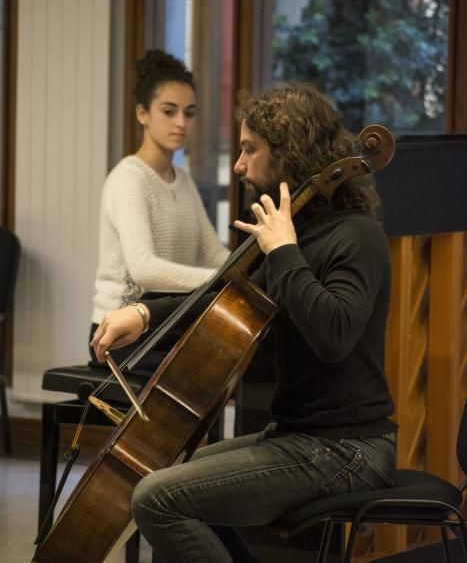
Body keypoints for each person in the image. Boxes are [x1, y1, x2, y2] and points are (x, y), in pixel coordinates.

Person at [91, 82, 397, 562]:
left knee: (159, 498)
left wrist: (285, 251)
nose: (238, 165)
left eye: (250, 149)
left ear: (289, 153)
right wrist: (145, 313)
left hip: (349, 449)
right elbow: (225, 296)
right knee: (164, 476)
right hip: (298, 436)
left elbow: (334, 335)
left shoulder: (356, 237)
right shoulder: (291, 231)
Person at [89, 49, 229, 367]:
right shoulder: (129, 178)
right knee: (204, 370)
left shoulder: (184, 180)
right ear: (142, 114)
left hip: (165, 324)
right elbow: (144, 269)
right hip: (118, 334)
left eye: (189, 113)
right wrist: (221, 281)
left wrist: (251, 275)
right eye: (169, 111)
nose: (181, 122)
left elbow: (215, 255)